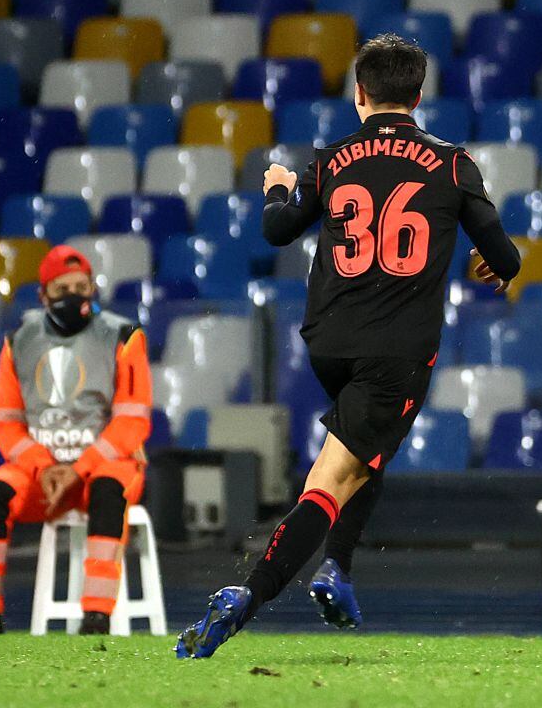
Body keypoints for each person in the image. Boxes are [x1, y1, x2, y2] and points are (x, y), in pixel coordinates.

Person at [175, 34, 522, 658]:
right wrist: (491, 264)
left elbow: (279, 229)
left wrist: (279, 186)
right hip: (398, 348)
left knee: (366, 451)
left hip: (329, 339)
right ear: (418, 96)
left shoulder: (331, 159)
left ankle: (338, 567)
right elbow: (505, 254)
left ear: (359, 94)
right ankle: (247, 594)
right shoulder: (450, 162)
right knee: (334, 476)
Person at [0, 246, 152, 634]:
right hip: (41, 472)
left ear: (94, 289)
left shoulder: (124, 336)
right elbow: (5, 423)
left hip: (107, 466)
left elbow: (132, 423)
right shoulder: (19, 341)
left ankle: (96, 617)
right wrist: (45, 466)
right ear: (42, 295)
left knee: (107, 490)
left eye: (82, 287)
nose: (74, 296)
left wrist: (78, 468)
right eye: (63, 288)